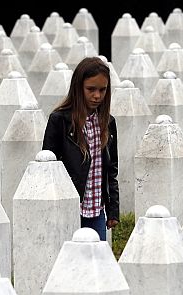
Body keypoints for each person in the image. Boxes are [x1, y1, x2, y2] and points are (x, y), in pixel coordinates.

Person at [41, 57, 119, 241]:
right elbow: (47, 169)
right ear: (78, 88)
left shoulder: (108, 123)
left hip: (96, 211)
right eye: (91, 89)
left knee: (96, 264)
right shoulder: (59, 121)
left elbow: (111, 170)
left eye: (102, 90)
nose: (97, 96)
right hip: (69, 209)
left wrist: (113, 210)